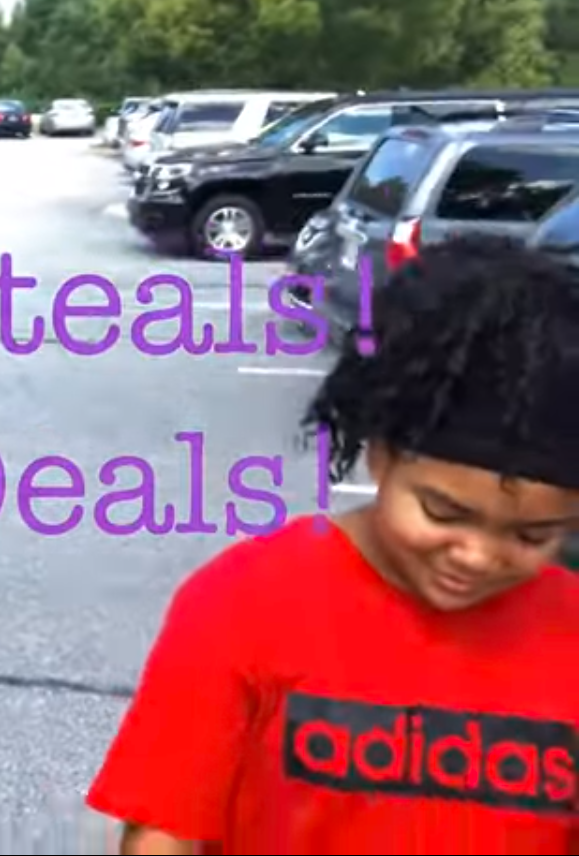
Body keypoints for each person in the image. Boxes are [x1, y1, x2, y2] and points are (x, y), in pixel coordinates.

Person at [87, 239, 579, 854]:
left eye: (532, 535)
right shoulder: (247, 602)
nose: (477, 555)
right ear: (381, 455)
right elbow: (164, 831)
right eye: (444, 512)